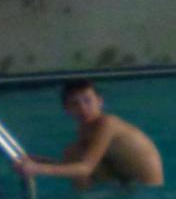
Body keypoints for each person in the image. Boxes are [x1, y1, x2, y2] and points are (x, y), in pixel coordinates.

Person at [16, 79, 165, 189]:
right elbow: (77, 164)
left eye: (87, 101)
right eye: (75, 103)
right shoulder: (86, 129)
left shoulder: (108, 123)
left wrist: (38, 169)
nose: (82, 108)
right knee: (72, 152)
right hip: (126, 184)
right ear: (67, 109)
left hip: (147, 190)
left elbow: (85, 168)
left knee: (75, 153)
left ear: (100, 101)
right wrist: (38, 161)